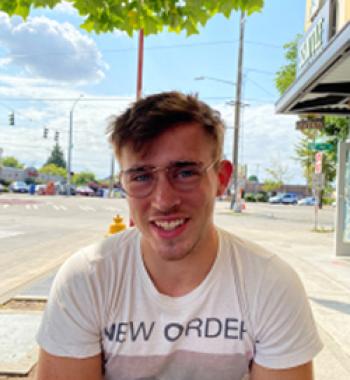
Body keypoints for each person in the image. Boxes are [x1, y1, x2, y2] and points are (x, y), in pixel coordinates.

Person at [35, 92, 322, 380]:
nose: (163, 200)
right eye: (141, 177)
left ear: (221, 179)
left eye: (185, 173)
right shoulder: (87, 279)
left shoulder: (270, 284)